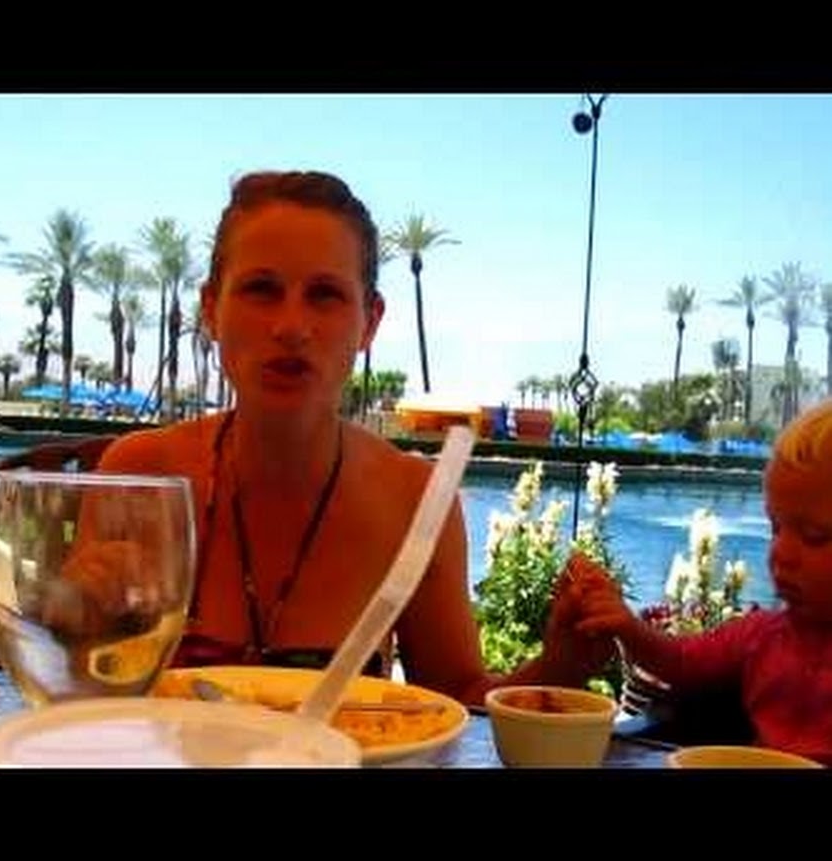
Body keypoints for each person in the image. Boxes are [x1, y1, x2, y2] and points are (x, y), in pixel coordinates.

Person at [81, 169, 605, 708]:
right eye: (262, 289)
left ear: (369, 322)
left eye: (325, 295)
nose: (291, 326)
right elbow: (76, 689)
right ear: (211, 308)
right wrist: (78, 615)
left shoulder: (414, 500)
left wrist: (559, 666)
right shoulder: (139, 477)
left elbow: (455, 700)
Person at [569, 397, 832, 765]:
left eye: (815, 536)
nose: (781, 553)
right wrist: (626, 626)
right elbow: (681, 661)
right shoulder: (762, 638)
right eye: (776, 528)